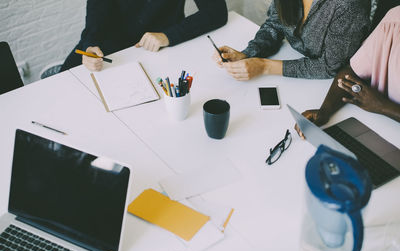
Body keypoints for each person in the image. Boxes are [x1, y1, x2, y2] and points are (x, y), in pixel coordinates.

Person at [296, 5, 400, 139]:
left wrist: (383, 106)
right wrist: (325, 111)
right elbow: (352, 72)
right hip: (379, 127)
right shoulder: (395, 18)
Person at [213, 0, 371, 80]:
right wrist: (248, 53)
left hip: (335, 87)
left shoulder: (348, 5)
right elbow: (275, 25)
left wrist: (263, 66)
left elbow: (330, 67)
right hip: (298, 81)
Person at [61, 0, 228, 72]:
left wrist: (168, 36)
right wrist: (91, 45)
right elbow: (96, 17)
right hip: (108, 45)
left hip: (159, 47)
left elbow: (217, 12)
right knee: (64, 83)